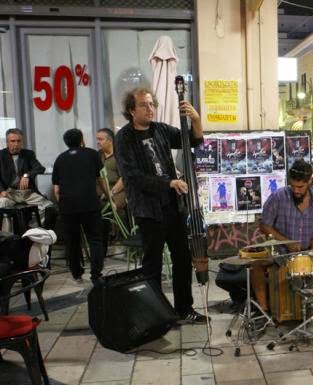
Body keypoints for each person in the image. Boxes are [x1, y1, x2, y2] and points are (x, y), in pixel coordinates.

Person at [114, 87, 207, 324]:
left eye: (151, 104)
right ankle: (155, 314)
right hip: (148, 209)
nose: (150, 109)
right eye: (144, 105)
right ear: (131, 110)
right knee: (152, 264)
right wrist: (169, 182)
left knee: (182, 259)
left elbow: (193, 140)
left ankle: (184, 308)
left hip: (173, 206)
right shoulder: (124, 138)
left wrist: (195, 118)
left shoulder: (161, 130)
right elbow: (132, 176)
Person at [254, 159, 313, 310]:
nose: (296, 190)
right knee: (255, 266)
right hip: (282, 254)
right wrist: (287, 242)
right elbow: (264, 226)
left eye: (300, 186)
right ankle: (264, 311)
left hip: (308, 253)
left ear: (309, 182)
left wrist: (312, 251)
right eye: (293, 186)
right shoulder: (278, 197)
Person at [52, 129, 104, 283]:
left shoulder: (60, 159)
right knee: (95, 239)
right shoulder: (92, 154)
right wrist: (109, 197)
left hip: (68, 206)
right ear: (82, 139)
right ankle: (96, 275)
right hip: (89, 203)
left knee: (72, 241)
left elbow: (56, 189)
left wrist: (62, 203)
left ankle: (77, 274)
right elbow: (99, 179)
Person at [0, 128, 56, 229]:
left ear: (22, 142)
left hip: (27, 193)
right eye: (13, 141)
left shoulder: (28, 154)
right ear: (7, 142)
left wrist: (27, 175)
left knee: (49, 207)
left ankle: (36, 232)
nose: (16, 144)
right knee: (1, 203)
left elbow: (39, 168)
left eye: (18, 141)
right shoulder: (1, 155)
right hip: (9, 193)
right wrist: (1, 191)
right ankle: (7, 237)